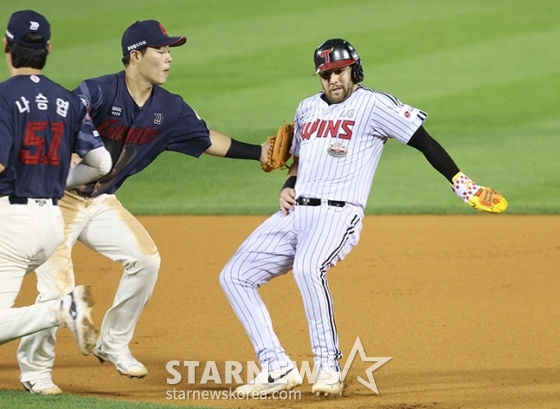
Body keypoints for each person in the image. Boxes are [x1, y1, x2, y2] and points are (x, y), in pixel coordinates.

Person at [219, 38, 507, 398]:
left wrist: (461, 183)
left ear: (353, 69)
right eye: (324, 75)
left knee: (309, 269)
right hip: (295, 212)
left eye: (338, 72)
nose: (332, 81)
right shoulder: (307, 108)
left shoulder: (374, 104)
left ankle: (328, 368)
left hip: (338, 215)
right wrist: (289, 184)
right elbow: (299, 158)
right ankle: (277, 367)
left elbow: (424, 141)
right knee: (234, 275)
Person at [17, 19, 270, 393]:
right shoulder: (98, 92)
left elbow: (206, 138)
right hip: (57, 202)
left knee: (146, 260)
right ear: (136, 56)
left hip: (101, 201)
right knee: (57, 288)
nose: (168, 58)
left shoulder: (168, 108)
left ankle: (113, 342)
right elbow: (59, 120)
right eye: (161, 50)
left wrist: (257, 153)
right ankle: (35, 372)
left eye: (170, 51)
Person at [0, 10, 113, 395]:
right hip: (50, 224)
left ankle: (62, 310)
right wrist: (55, 180)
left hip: (10, 221)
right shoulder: (67, 100)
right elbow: (102, 163)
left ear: (6, 46)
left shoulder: (2, 97)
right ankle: (38, 372)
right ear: (47, 49)